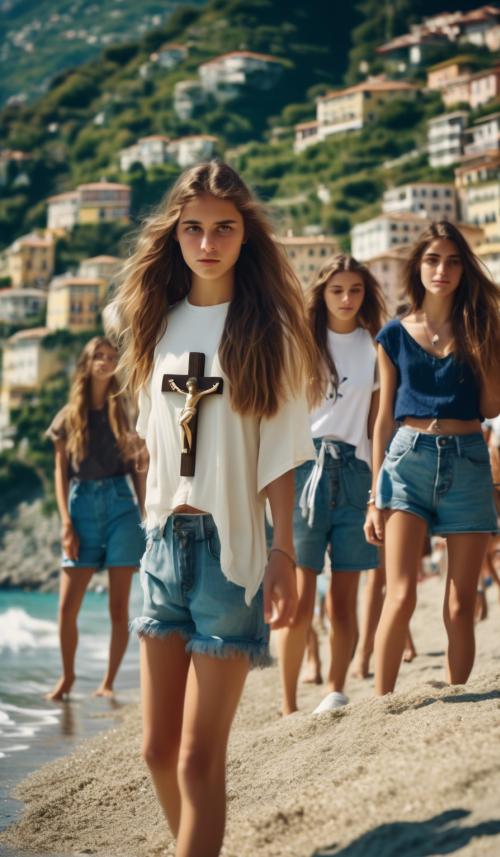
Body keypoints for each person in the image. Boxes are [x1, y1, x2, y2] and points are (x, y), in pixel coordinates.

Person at [114, 161, 318, 857]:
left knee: (201, 760)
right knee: (154, 750)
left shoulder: (271, 333)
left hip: (232, 554)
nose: (208, 242)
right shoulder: (154, 326)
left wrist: (285, 549)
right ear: (174, 234)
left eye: (223, 228)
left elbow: (281, 454)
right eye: (193, 228)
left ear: (244, 235)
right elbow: (152, 440)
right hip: (162, 548)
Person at [364, 221, 500, 695]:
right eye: (432, 260)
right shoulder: (393, 335)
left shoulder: (482, 327)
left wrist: (486, 349)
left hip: (468, 459)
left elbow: (490, 408)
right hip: (407, 461)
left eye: (453, 260)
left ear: (464, 269)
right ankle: (381, 705)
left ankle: (460, 693)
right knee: (399, 594)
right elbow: (382, 419)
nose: (442, 270)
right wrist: (373, 496)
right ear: (417, 266)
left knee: (462, 601)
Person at [275, 254, 386, 716]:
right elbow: (279, 414)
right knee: (300, 602)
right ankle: (287, 705)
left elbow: (381, 421)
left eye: (355, 290)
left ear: (366, 294)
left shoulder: (377, 346)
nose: (345, 298)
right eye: (336, 290)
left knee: (343, 602)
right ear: (322, 293)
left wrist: (379, 488)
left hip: (357, 473)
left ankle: (335, 691)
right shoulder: (300, 343)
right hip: (306, 468)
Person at [45, 336, 146, 701]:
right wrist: (65, 522)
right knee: (66, 607)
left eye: (110, 356)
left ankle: (108, 682)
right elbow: (60, 472)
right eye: (97, 357)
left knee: (118, 606)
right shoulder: (67, 417)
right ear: (86, 365)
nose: (105, 361)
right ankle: (68, 678)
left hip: (121, 505)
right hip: (81, 507)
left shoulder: (127, 412)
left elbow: (138, 467)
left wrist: (145, 510)